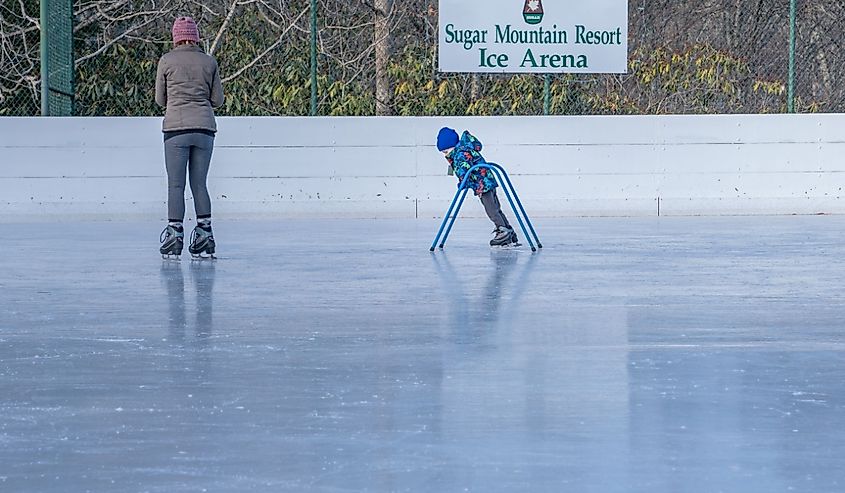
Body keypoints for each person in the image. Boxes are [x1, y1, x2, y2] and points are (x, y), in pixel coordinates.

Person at [156, 16, 224, 259]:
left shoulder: (166, 61)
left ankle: (175, 236)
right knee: (199, 184)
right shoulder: (209, 62)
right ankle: (205, 234)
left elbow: (160, 100)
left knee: (176, 185)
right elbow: (217, 101)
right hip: (205, 129)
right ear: (196, 37)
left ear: (175, 37)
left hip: (175, 130)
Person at [436, 127, 519, 247]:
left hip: (482, 184)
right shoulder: (465, 149)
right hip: (486, 181)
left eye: (445, 151)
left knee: (491, 210)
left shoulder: (460, 154)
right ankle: (507, 231)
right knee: (496, 208)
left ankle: (503, 231)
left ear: (452, 146)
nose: (445, 155)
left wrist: (462, 184)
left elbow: (463, 171)